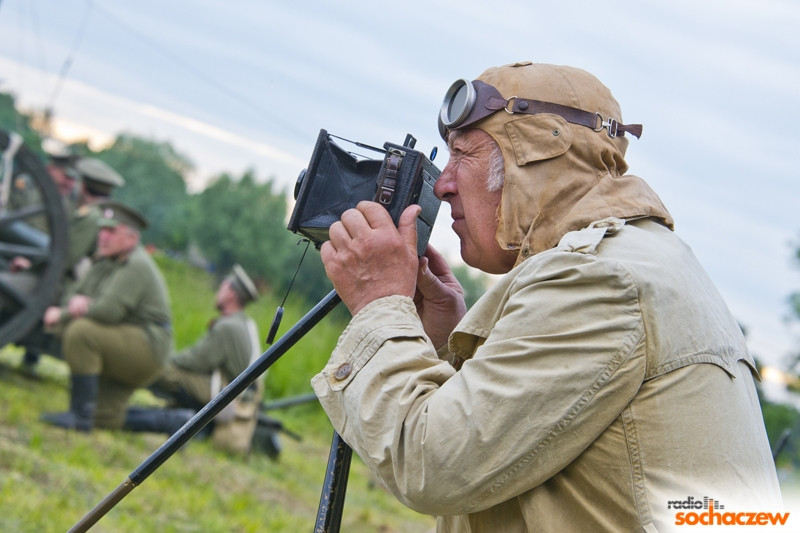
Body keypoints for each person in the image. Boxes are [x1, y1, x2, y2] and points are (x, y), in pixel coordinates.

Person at [310, 62, 783, 531]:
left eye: (464, 155)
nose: (442, 183)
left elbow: (431, 464)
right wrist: (444, 342)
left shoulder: (598, 280)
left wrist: (378, 306)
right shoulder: (640, 259)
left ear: (535, 157)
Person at [40, 200, 172, 432]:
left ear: (131, 238)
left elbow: (107, 312)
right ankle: (173, 421)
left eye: (112, 231)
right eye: (102, 229)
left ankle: (79, 416)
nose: (104, 236)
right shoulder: (107, 260)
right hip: (129, 340)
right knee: (105, 418)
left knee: (81, 332)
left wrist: (64, 312)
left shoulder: (136, 265)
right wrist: (76, 304)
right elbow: (74, 293)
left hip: (149, 347)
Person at [127, 264, 263, 450]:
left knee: (161, 369)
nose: (218, 291)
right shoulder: (244, 323)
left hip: (226, 394)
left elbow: (195, 361)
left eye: (223, 287)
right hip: (232, 391)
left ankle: (192, 421)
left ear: (231, 294)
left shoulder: (227, 326)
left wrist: (164, 359)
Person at [17, 155, 126, 372]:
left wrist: (27, 266)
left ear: (83, 185)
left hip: (70, 288)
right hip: (72, 283)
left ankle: (32, 351)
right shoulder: (99, 214)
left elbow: (64, 258)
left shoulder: (91, 217)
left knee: (20, 287)